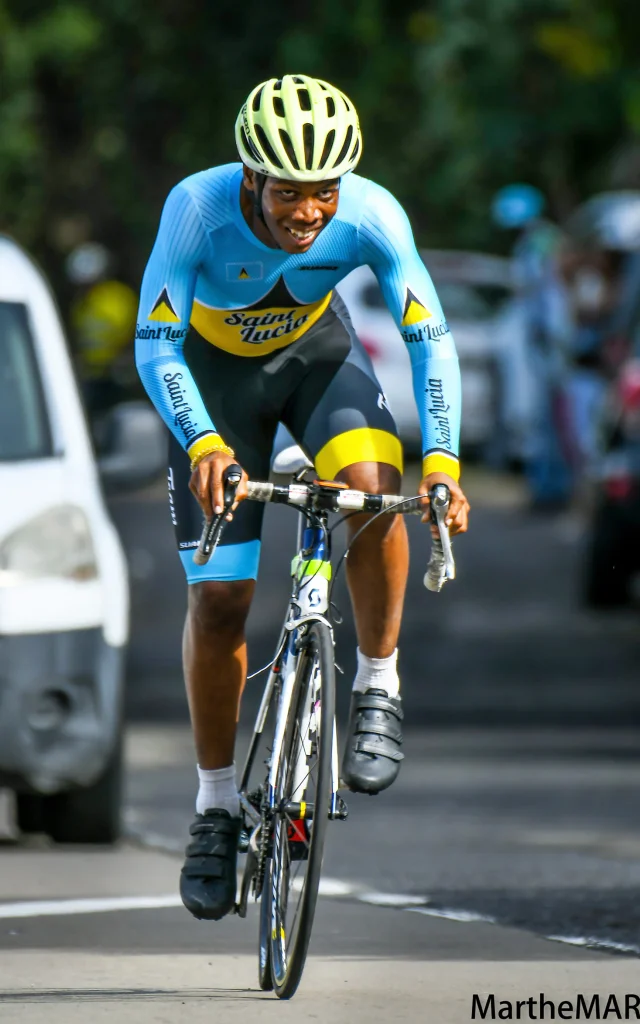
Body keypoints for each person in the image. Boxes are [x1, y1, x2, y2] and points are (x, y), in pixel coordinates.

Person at [135, 74, 470, 922]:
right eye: (291, 193)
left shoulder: (373, 213)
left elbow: (429, 340)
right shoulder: (197, 209)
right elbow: (155, 346)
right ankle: (215, 808)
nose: (310, 212)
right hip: (213, 393)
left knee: (372, 489)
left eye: (324, 192)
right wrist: (203, 439)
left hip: (317, 363)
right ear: (252, 177)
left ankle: (380, 682)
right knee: (220, 602)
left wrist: (445, 461)